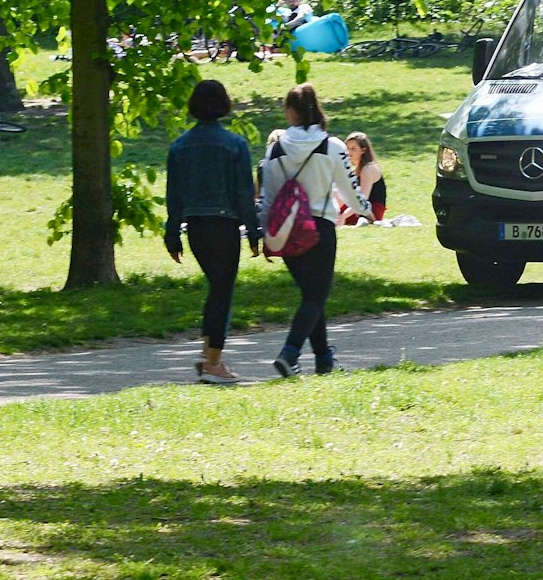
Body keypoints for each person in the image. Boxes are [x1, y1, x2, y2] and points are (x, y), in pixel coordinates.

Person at [257, 83, 367, 377]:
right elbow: (350, 187)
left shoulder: (275, 148)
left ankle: (324, 359)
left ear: (290, 112)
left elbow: (267, 195)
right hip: (319, 225)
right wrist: (366, 209)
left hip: (286, 228)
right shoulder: (332, 146)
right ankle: (289, 353)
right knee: (316, 297)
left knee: (311, 295)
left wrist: (266, 234)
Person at [164, 79, 262, 384]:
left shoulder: (179, 146)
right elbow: (244, 193)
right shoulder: (235, 145)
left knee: (216, 288)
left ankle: (209, 353)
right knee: (223, 290)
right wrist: (254, 231)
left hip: (195, 225)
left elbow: (174, 194)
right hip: (225, 224)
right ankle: (213, 361)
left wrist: (172, 233)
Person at [336, 131, 387, 224]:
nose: (349, 152)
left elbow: (362, 200)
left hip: (370, 212)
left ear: (363, 150)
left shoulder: (368, 169)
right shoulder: (356, 169)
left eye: (353, 149)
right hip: (356, 208)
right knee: (335, 192)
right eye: (347, 149)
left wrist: (343, 216)